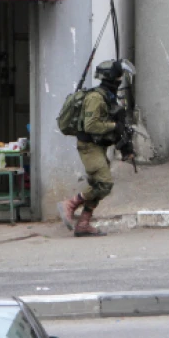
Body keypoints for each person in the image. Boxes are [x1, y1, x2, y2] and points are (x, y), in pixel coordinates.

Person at [57, 60, 133, 237]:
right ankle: (70, 204)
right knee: (104, 184)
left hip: (98, 146)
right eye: (118, 76)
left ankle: (83, 224)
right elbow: (91, 126)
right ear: (111, 77)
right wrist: (114, 126)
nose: (120, 80)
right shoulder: (95, 98)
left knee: (96, 185)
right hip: (89, 147)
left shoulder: (108, 96)